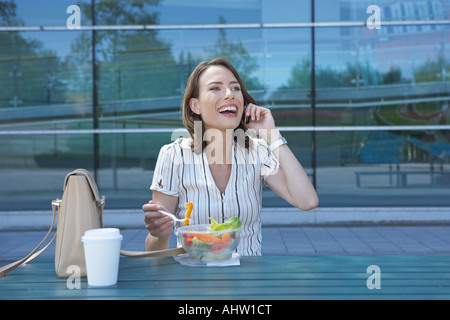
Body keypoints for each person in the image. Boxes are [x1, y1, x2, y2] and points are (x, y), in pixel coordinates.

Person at [143, 58, 318, 256]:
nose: (230, 94)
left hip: (248, 279)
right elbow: (154, 250)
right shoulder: (174, 155)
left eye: (235, 88)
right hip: (194, 280)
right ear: (195, 106)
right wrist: (160, 234)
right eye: (215, 88)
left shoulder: (256, 152)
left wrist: (272, 136)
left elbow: (307, 201)